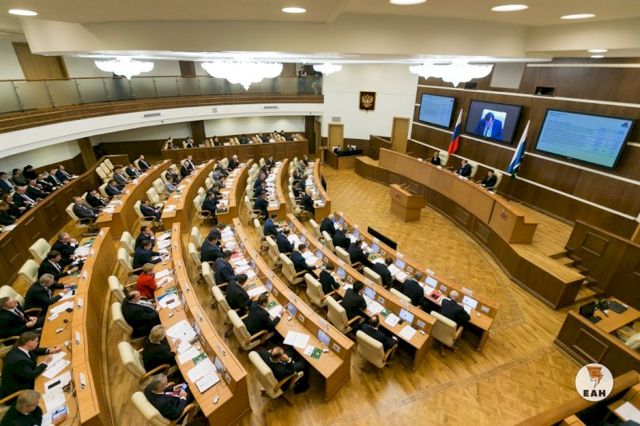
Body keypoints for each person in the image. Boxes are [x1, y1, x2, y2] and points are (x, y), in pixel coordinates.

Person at [0, 332, 60, 397]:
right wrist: (45, 362)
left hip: (24, 377)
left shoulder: (21, 348)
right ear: (29, 343)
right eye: (36, 341)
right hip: (20, 390)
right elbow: (31, 375)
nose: (38, 343)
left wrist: (49, 350)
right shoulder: (19, 361)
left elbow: (35, 351)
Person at [1, 389, 67, 425]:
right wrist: (53, 423)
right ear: (25, 408)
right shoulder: (20, 423)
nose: (37, 404)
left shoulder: (20, 404)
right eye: (35, 404)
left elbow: (38, 410)